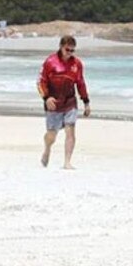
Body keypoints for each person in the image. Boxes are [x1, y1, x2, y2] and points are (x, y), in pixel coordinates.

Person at [37, 36, 91, 169]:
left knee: (70, 130)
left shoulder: (77, 64)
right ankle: (47, 149)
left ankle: (67, 162)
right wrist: (46, 98)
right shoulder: (50, 62)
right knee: (51, 134)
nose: (70, 53)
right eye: (67, 50)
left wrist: (86, 102)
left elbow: (81, 83)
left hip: (70, 102)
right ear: (61, 47)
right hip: (53, 102)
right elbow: (40, 82)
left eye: (73, 51)